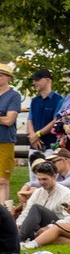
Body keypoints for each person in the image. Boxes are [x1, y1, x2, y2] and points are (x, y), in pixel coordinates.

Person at [12, 159, 70, 246]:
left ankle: (17, 241)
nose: (41, 182)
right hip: (38, 227)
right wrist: (18, 224)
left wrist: (49, 227)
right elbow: (26, 212)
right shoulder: (38, 192)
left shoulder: (65, 194)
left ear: (54, 176)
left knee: (37, 208)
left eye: (45, 179)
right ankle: (19, 239)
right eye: (39, 179)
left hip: (58, 226)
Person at [25, 69, 65, 163]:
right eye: (34, 80)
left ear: (48, 80)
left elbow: (56, 121)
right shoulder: (34, 100)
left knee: (51, 175)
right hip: (34, 147)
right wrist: (33, 136)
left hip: (51, 147)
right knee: (34, 177)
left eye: (38, 80)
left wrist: (38, 134)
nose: (35, 83)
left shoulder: (59, 100)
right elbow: (30, 119)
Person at [0, 63, 19, 207]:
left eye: (1, 75)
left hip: (5, 141)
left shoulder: (14, 95)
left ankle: (3, 213)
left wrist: (3, 118)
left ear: (8, 78)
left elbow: (9, 120)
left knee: (3, 180)